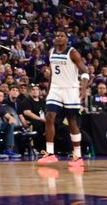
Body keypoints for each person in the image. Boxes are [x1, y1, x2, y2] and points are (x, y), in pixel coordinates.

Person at [36, 30, 89, 168]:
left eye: (62, 36)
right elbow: (53, 72)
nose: (58, 37)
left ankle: (77, 156)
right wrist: (49, 90)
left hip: (70, 89)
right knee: (49, 117)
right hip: (55, 89)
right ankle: (50, 153)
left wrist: (83, 89)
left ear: (66, 39)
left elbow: (85, 71)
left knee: (72, 121)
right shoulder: (51, 51)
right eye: (57, 35)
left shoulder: (72, 52)